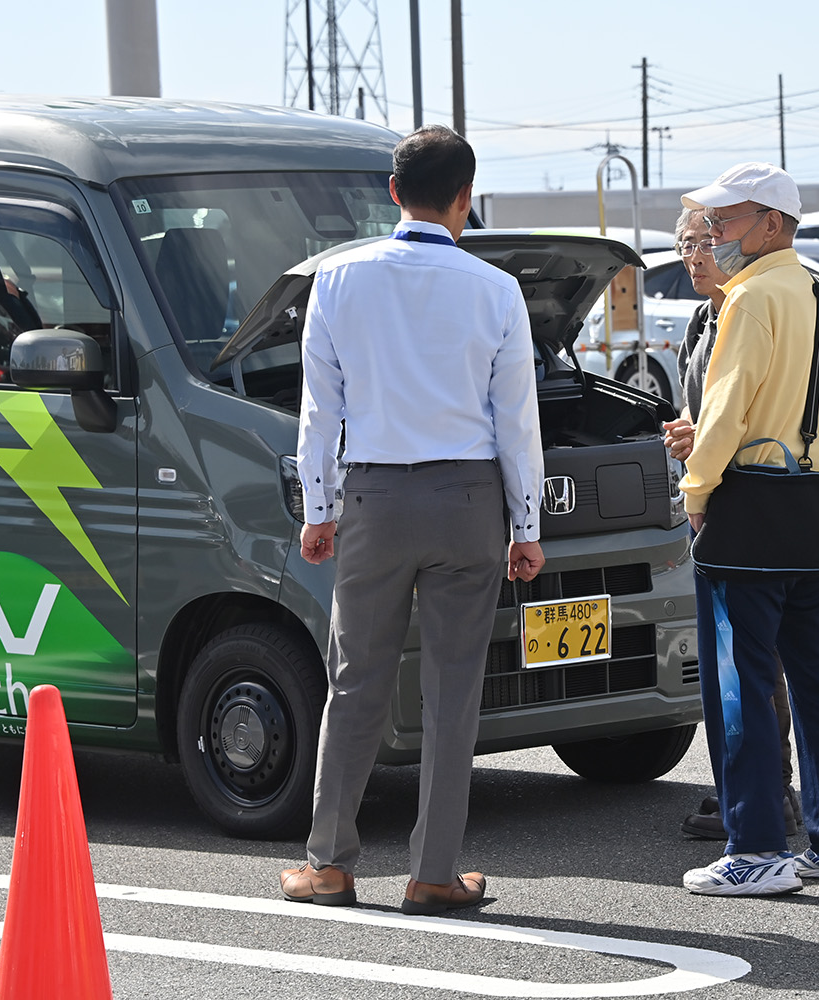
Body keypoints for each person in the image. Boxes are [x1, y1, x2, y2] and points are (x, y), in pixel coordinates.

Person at [280, 124, 546, 914]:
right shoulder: (496, 290)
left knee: (355, 681)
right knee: (453, 689)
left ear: (392, 193)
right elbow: (517, 421)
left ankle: (328, 864)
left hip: (373, 500)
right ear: (466, 198)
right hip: (468, 503)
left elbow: (318, 411)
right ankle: (434, 875)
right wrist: (525, 525)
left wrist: (320, 510)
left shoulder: (337, 279)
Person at [677, 162, 819, 897]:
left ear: (772, 224)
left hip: (748, 508)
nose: (715, 234)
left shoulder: (749, 298)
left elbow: (727, 409)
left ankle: (757, 846)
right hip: (817, 507)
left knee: (741, 682)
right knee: (818, 677)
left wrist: (695, 489)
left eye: (727, 221)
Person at [663, 208, 802, 841]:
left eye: (701, 242)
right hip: (719, 489)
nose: (693, 256)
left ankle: (769, 792)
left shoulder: (753, 308)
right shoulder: (704, 319)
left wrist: (704, 442)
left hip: (750, 496)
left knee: (757, 655)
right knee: (733, 655)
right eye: (683, 246)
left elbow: (757, 407)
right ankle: (740, 788)